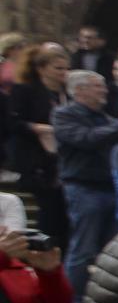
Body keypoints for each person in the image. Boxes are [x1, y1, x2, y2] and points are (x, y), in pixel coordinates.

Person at [54, 70, 118, 296]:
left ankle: (103, 299)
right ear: (80, 90)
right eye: (98, 86)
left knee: (111, 249)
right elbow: (86, 139)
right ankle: (71, 300)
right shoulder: (64, 115)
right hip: (83, 187)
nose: (104, 90)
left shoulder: (107, 119)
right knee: (84, 247)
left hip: (111, 188)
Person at [11, 43, 70, 249]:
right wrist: (39, 128)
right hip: (37, 158)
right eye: (58, 68)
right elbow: (13, 122)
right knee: (49, 209)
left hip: (63, 157)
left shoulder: (66, 93)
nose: (63, 73)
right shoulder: (25, 91)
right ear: (41, 69)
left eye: (65, 68)